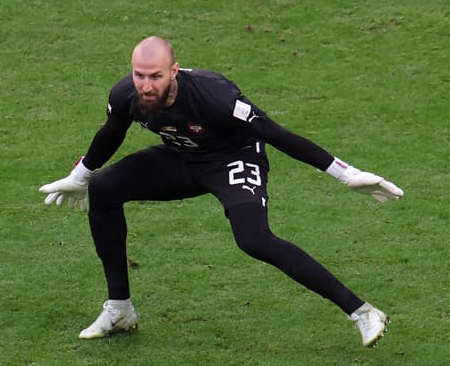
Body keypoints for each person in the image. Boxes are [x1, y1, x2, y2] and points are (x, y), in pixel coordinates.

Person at [39, 36, 402, 346]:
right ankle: (119, 310)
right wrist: (82, 174)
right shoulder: (126, 95)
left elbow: (276, 134)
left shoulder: (216, 97)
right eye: (139, 75)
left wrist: (345, 174)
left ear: (174, 72)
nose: (146, 86)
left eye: (155, 77)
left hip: (232, 160)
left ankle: (362, 312)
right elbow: (113, 130)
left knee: (254, 239)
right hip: (182, 157)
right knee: (103, 188)